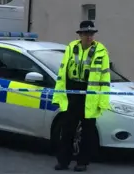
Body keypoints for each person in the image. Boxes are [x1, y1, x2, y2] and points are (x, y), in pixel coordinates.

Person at [53, 20, 111, 172]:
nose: (89, 37)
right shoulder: (72, 47)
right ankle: (63, 161)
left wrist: (103, 100)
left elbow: (105, 78)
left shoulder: (101, 51)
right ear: (80, 35)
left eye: (91, 34)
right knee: (67, 130)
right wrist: (59, 95)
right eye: (86, 33)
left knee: (88, 132)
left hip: (89, 93)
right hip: (73, 91)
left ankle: (82, 162)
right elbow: (62, 72)